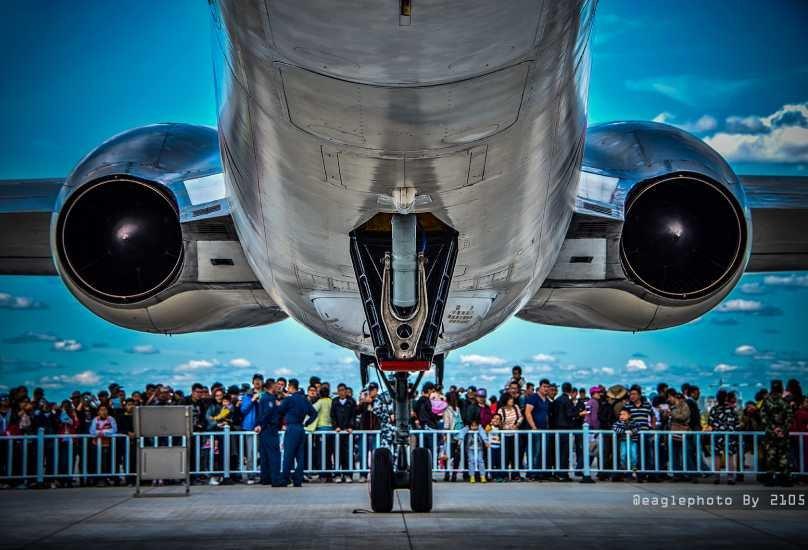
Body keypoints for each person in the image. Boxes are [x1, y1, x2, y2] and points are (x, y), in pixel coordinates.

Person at [278, 379, 318, 487]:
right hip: (301, 428)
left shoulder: (289, 400)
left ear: (291, 387)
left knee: (288, 454)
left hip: (291, 428)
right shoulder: (304, 400)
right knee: (300, 456)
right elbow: (314, 413)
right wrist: (307, 423)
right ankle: (298, 479)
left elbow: (279, 410)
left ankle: (285, 479)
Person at [761, 380, 794, 487]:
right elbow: (789, 418)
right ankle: (785, 479)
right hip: (783, 435)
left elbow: (764, 418)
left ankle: (770, 479)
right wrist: (782, 430)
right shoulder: (786, 401)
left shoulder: (766, 400)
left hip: (770, 434)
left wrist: (773, 429)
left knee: (771, 456)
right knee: (783, 456)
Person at [709, 390, 740, 485]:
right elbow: (737, 424)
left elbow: (710, 423)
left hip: (717, 435)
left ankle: (717, 477)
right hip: (730, 436)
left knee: (717, 456)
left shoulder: (714, 409)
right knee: (730, 457)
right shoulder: (732, 410)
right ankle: (730, 478)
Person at [254, 386, 283, 486]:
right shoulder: (269, 399)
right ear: (271, 387)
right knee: (274, 454)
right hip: (270, 428)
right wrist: (261, 425)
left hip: (265, 429)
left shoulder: (264, 398)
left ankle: (265, 478)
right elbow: (267, 413)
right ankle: (275, 479)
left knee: (265, 455)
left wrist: (259, 425)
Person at [240, 374, 265, 484]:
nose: (257, 382)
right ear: (252, 382)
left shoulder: (265, 394)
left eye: (259, 380)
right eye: (255, 380)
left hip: (263, 427)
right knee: (250, 453)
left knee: (263, 453)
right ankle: (250, 475)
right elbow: (243, 410)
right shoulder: (247, 395)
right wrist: (252, 400)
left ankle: (262, 474)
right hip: (250, 427)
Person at [524, 378, 551, 478]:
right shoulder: (533, 397)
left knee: (542, 451)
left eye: (547, 387)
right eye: (544, 386)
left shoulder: (547, 400)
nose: (546, 389)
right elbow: (527, 412)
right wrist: (533, 427)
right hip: (535, 429)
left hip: (545, 429)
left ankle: (539, 472)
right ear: (539, 387)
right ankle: (531, 472)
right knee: (534, 451)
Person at [331, 383, 357, 482]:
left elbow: (353, 415)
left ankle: (348, 474)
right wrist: (336, 427)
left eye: (343, 390)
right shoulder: (335, 402)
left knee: (348, 453)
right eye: (339, 390)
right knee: (337, 452)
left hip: (347, 432)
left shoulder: (351, 401)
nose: (341, 392)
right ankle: (337, 474)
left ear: (346, 391)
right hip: (338, 431)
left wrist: (350, 426)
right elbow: (332, 416)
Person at [89, 404, 117, 486]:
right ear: (98, 412)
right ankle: (97, 479)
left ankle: (105, 479)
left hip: (106, 445)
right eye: (101, 410)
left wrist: (102, 433)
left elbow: (114, 430)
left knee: (105, 462)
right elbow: (92, 431)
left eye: (105, 410)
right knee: (96, 462)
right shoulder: (95, 419)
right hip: (96, 444)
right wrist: (103, 432)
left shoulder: (111, 419)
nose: (103, 412)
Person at [459, 418, 489, 483]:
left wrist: (486, 441)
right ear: (470, 426)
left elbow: (483, 434)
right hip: (470, 448)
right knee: (471, 461)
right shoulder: (467, 428)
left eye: (476, 425)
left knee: (480, 461)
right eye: (473, 426)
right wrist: (460, 439)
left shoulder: (480, 428)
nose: (474, 427)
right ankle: (472, 476)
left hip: (479, 448)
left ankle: (482, 476)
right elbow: (462, 431)